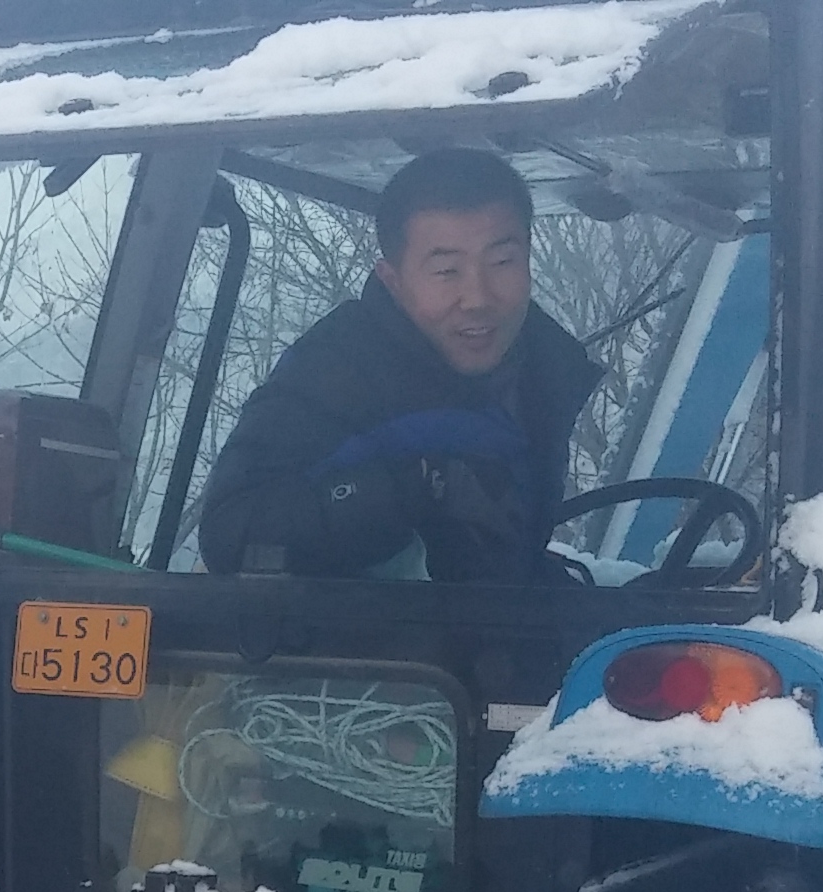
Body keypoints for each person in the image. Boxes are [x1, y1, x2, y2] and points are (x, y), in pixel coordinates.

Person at [196, 148, 598, 583]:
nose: (479, 298)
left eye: (502, 262)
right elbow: (228, 537)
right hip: (362, 646)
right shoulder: (337, 371)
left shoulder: (547, 370)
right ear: (394, 281)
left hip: (495, 634)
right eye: (447, 271)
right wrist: (409, 488)